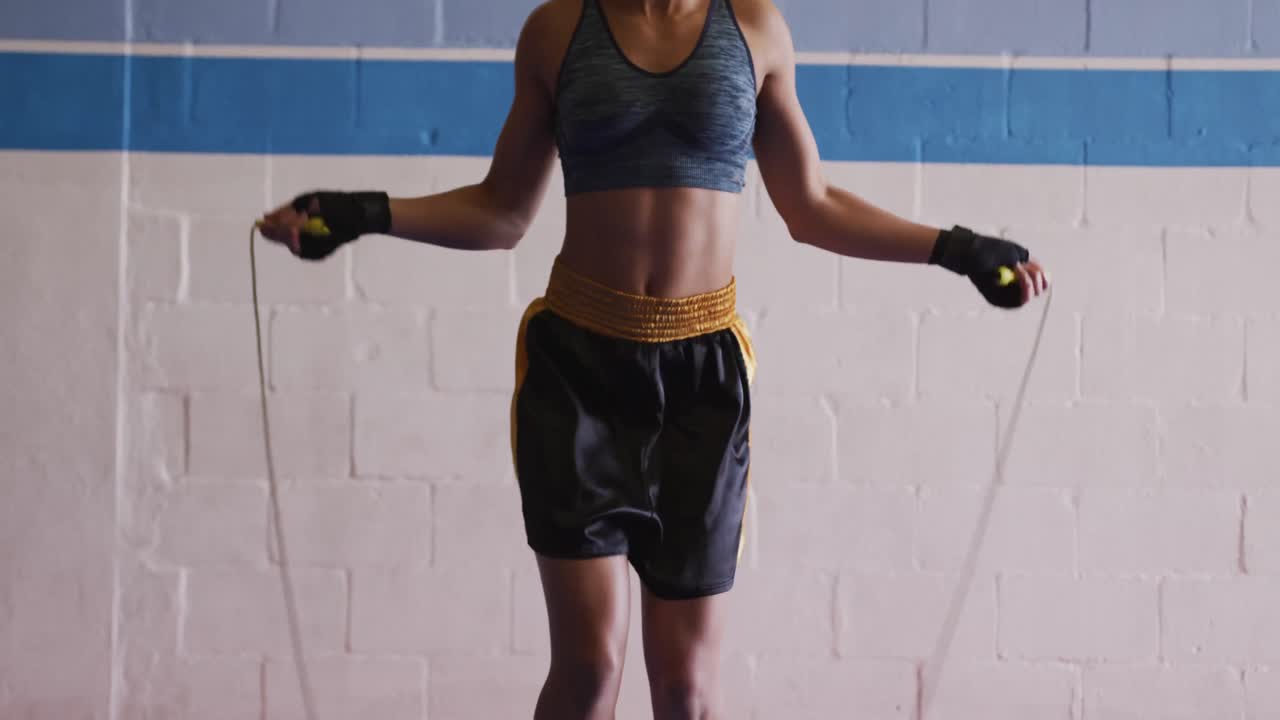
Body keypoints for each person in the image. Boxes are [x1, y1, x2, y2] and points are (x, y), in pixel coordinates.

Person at [257, 0, 1050, 717]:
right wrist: (362, 213)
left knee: (685, 687)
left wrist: (960, 249)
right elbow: (501, 211)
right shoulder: (557, 29)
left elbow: (811, 207)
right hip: (577, 369)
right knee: (589, 671)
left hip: (703, 376)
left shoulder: (754, 28)